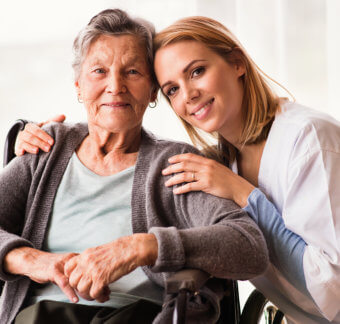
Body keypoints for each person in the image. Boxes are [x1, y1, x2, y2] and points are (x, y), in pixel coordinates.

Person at [20, 14, 340, 324]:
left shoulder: (308, 139)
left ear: (237, 63)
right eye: (172, 88)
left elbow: (330, 289)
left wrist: (243, 194)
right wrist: (24, 138)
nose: (188, 95)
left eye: (197, 71)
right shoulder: (218, 161)